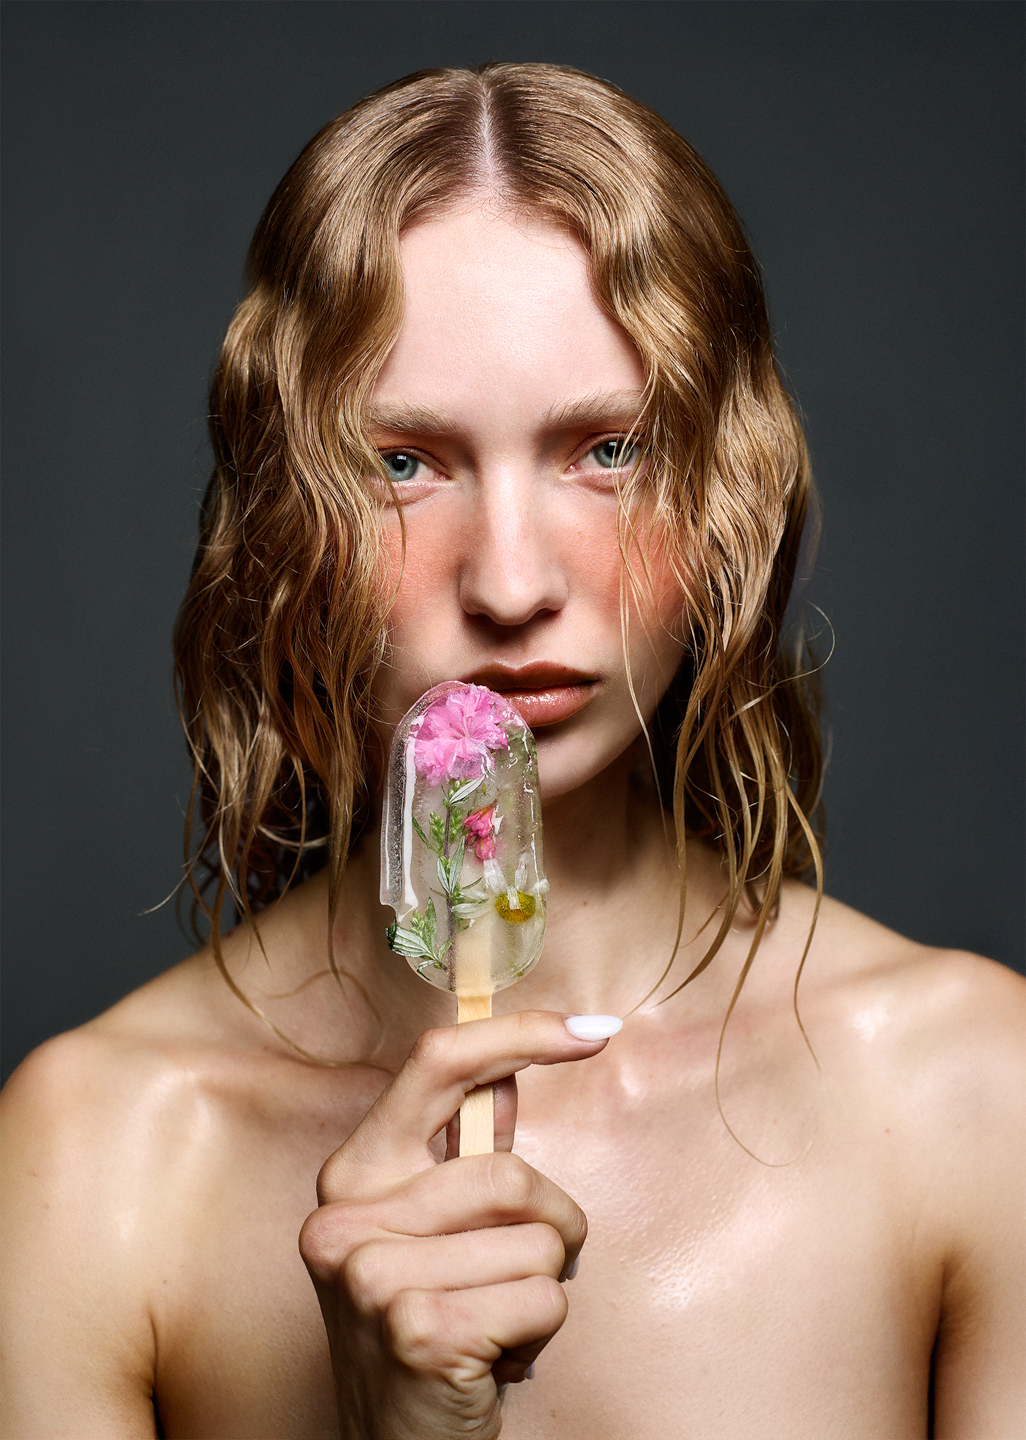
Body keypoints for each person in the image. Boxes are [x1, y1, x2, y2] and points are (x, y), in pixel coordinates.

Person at [1, 62, 1022, 1440]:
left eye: (608, 450)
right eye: (402, 464)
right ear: (285, 517)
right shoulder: (98, 1162)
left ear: (728, 484)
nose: (511, 582)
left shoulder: (971, 1095)